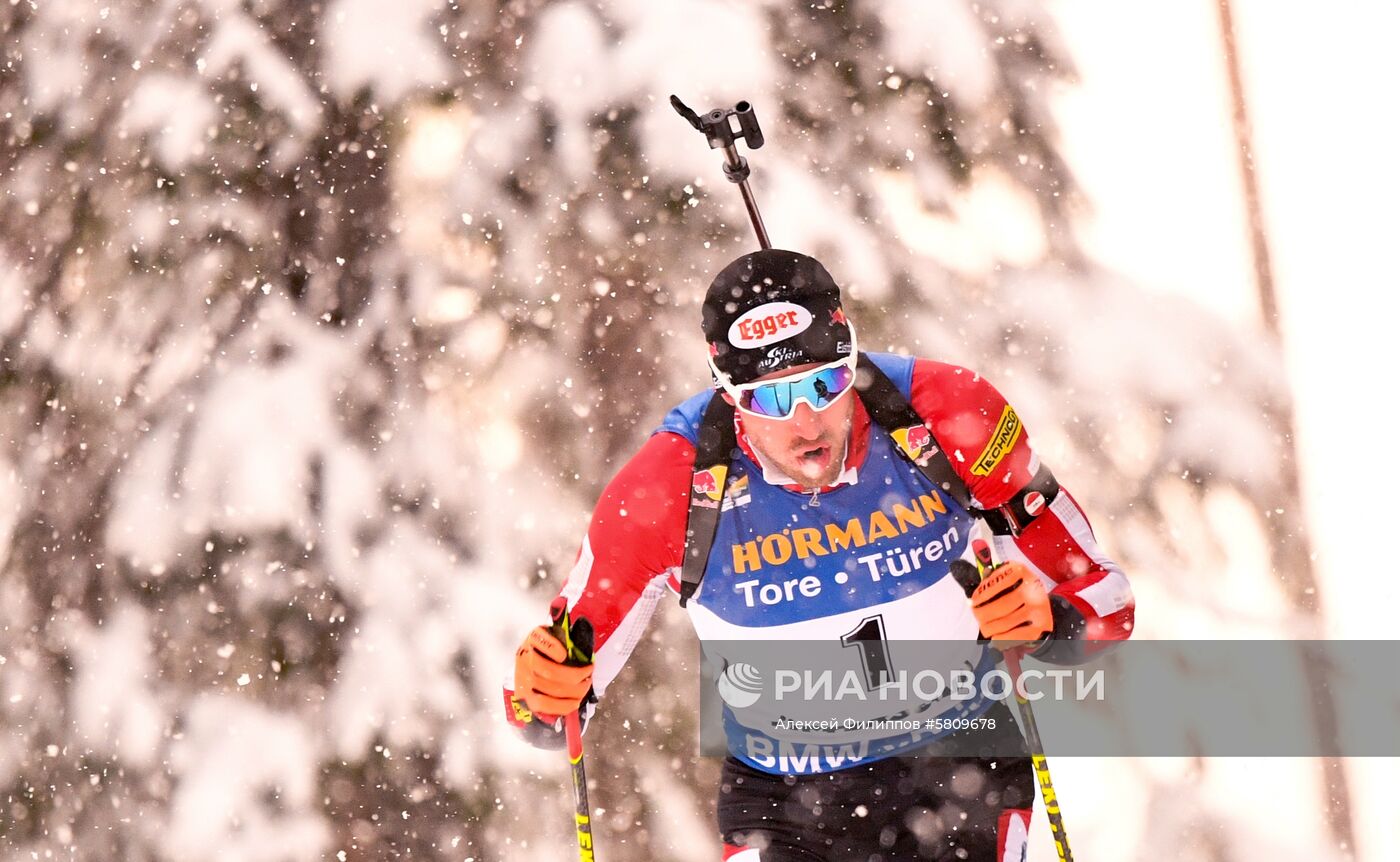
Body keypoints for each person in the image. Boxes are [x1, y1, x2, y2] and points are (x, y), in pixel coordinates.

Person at [503, 249, 1135, 861]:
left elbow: (1111, 603)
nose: (807, 421)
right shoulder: (669, 484)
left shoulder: (948, 413)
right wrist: (544, 692)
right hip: (782, 807)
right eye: (771, 398)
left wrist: (1052, 622)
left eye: (825, 383)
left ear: (851, 355)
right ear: (728, 392)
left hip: (961, 770)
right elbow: (547, 707)